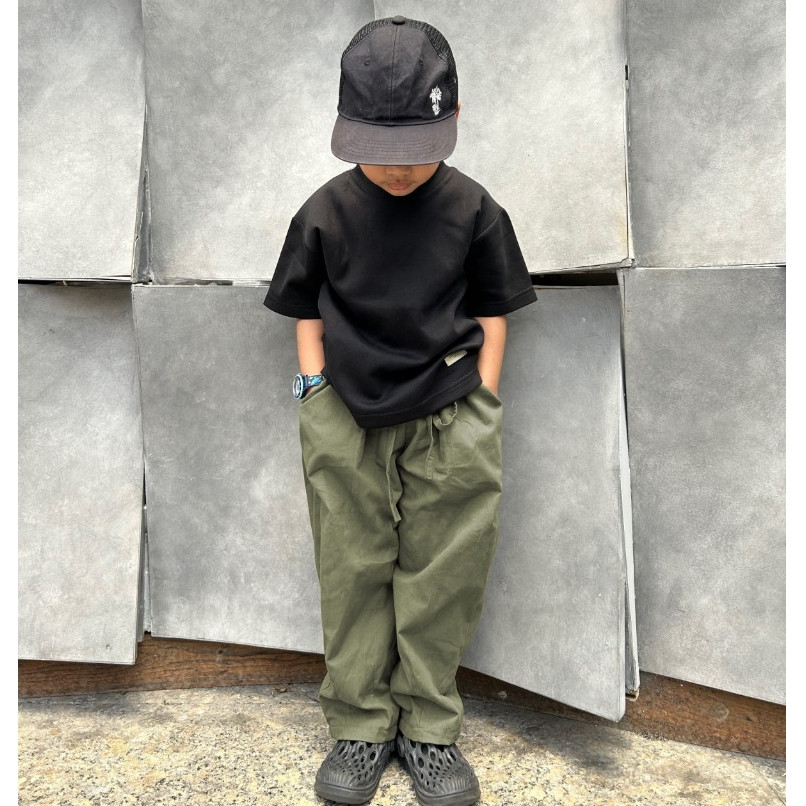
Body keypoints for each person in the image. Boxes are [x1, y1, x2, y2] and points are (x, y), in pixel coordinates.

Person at [264, 15, 536, 806]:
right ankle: (360, 726)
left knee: (444, 572)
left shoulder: (475, 209)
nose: (396, 168)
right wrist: (313, 391)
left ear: (453, 120)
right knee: (350, 568)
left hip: (452, 410)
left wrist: (484, 395)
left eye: (415, 149)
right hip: (344, 414)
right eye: (378, 150)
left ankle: (430, 731)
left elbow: (493, 308)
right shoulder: (323, 212)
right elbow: (304, 307)